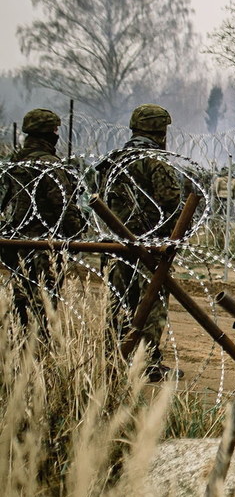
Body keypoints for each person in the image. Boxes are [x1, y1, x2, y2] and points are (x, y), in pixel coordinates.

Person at [99, 103, 188, 381]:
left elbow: (99, 197)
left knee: (119, 299)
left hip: (116, 241)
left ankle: (113, 356)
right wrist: (174, 236)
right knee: (150, 303)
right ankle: (147, 361)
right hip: (150, 243)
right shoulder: (154, 160)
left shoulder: (113, 159)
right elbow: (173, 201)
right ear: (160, 130)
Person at [0, 108, 86, 328]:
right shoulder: (50, 164)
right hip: (44, 242)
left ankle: (17, 347)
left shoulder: (14, 162)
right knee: (43, 302)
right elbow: (63, 206)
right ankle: (38, 348)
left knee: (20, 296)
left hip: (14, 241)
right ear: (51, 133)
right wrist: (77, 233)